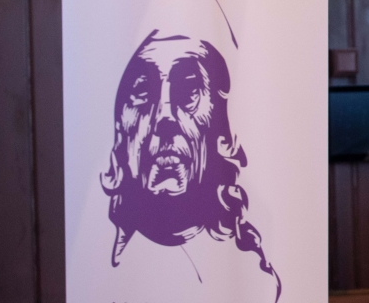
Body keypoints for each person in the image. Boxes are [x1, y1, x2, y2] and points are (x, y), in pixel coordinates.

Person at [101, 30, 281, 302]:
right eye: (143, 91)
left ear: (223, 129)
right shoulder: (101, 279)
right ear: (119, 136)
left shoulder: (255, 281)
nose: (164, 117)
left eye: (188, 92)